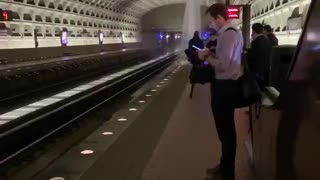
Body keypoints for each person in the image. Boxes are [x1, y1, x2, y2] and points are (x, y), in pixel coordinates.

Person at [198, 3, 243, 180]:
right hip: (226, 86)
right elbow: (227, 59)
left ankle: (227, 171)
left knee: (226, 131)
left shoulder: (228, 35)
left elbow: (224, 66)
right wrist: (213, 52)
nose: (210, 25)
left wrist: (207, 56)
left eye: (211, 22)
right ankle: (224, 165)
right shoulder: (230, 33)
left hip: (224, 88)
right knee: (225, 130)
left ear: (219, 18)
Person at [248, 23, 272, 88]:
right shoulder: (267, 41)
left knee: (257, 88)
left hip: (258, 71)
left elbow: (253, 57)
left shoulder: (255, 41)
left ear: (253, 30)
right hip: (266, 69)